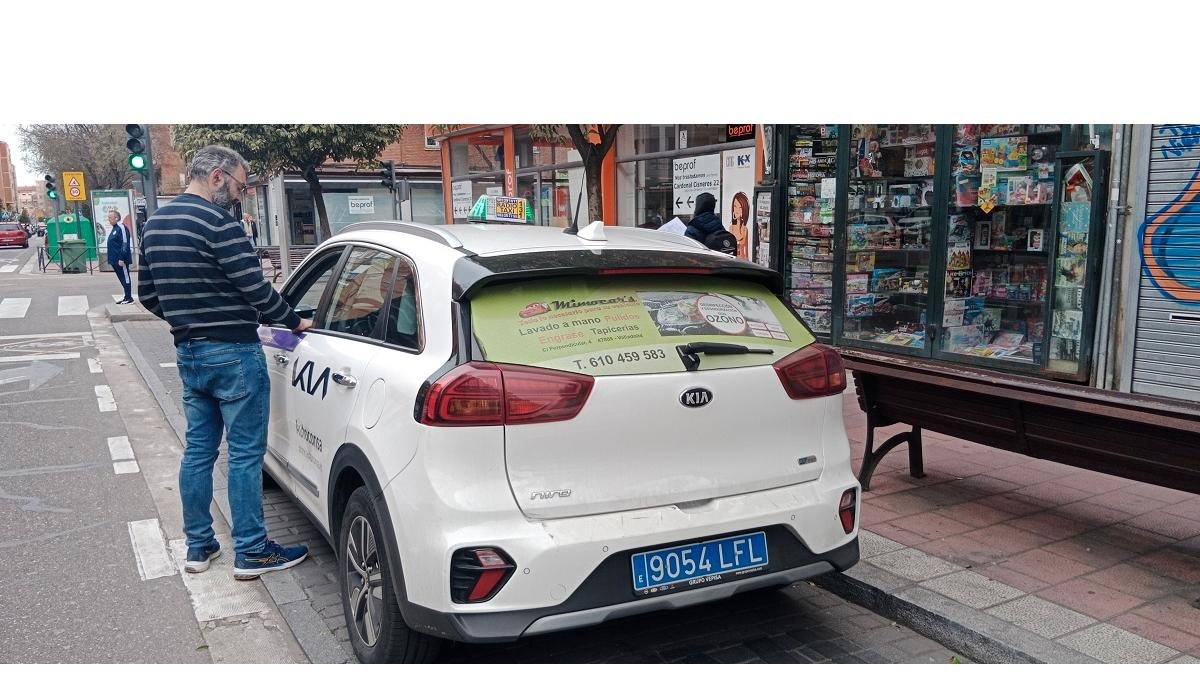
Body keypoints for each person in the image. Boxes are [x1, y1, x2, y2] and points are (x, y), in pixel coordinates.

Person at [138, 145, 313, 580]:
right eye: (240, 184)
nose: (242, 193)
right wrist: (295, 321)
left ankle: (199, 546)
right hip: (234, 352)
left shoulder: (156, 223)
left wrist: (186, 320)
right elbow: (257, 291)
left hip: (189, 353)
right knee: (244, 454)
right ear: (217, 177)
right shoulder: (221, 224)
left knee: (198, 451)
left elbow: (147, 294)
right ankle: (252, 550)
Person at [105, 210, 134, 303]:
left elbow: (125, 243)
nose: (108, 219)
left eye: (110, 217)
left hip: (121, 260)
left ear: (116, 218)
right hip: (114, 259)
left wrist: (122, 258)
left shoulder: (121, 227)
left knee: (125, 277)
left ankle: (129, 298)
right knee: (121, 278)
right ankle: (126, 297)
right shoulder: (115, 228)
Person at [729, 192, 751, 259]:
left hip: (743, 261)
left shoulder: (745, 229)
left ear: (744, 210)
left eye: (740, 207)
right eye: (735, 206)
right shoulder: (731, 228)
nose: (737, 210)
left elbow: (746, 251)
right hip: (734, 260)